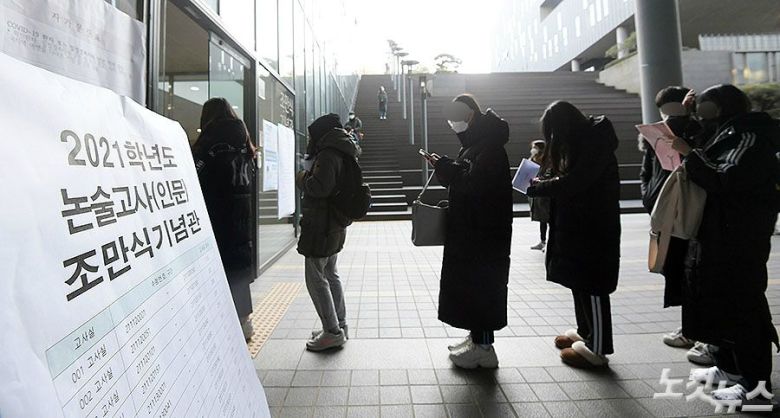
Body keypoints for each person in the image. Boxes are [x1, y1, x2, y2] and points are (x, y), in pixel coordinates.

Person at [665, 84, 779, 406]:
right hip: (716, 234)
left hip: (739, 238)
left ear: (722, 108)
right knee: (717, 303)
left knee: (743, 309)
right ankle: (730, 369)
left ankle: (755, 388)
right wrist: (684, 117)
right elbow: (697, 144)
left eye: (705, 107)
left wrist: (690, 155)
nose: (702, 114)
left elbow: (725, 179)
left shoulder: (749, 136)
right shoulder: (724, 133)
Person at [526, 101, 621, 369]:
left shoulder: (595, 143)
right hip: (577, 226)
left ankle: (598, 348)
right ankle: (585, 332)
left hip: (594, 228)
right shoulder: (580, 143)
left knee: (593, 286)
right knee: (579, 282)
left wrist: (541, 187)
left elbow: (577, 181)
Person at [422, 94, 513, 369]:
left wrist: (446, 168)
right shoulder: (477, 145)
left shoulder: (490, 147)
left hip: (484, 234)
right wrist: (445, 167)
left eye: (456, 117)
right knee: (473, 288)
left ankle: (484, 348)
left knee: (482, 287)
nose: (453, 124)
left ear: (470, 114)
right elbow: (466, 180)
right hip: (474, 231)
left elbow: (475, 185)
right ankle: (476, 339)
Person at [639, 87, 719, 366]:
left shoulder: (699, 131)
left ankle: (699, 333)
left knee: (692, 273)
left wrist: (686, 119)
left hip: (691, 211)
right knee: (679, 271)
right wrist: (650, 197)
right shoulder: (656, 134)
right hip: (668, 211)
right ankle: (691, 329)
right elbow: (649, 170)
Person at [192, 97, 256, 340]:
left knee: (216, 268)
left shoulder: (210, 142)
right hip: (242, 213)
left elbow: (194, 172)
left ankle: (220, 323)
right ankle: (244, 322)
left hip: (216, 213)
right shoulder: (244, 143)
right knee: (237, 268)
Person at [296, 113, 359, 352]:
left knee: (316, 278)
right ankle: (339, 324)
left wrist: (302, 176)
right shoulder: (344, 150)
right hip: (334, 224)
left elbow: (319, 187)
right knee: (331, 273)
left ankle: (332, 332)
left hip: (320, 224)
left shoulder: (327, 154)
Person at [528, 139, 549, 251]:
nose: (533, 150)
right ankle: (543, 240)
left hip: (545, 194)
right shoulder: (533, 159)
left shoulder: (547, 160)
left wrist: (539, 180)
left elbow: (547, 175)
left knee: (547, 217)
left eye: (535, 148)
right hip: (538, 194)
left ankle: (547, 241)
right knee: (542, 219)